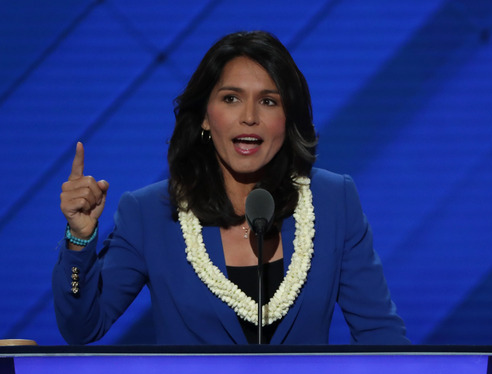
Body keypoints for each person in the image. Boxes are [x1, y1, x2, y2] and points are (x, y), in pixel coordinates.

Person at [53, 30, 409, 345]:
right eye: (231, 98)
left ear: (288, 119)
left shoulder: (332, 202)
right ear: (206, 117)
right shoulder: (150, 214)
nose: (249, 116)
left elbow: (382, 336)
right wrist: (80, 239)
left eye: (269, 101)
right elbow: (82, 327)